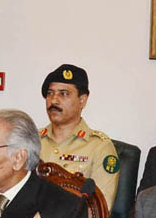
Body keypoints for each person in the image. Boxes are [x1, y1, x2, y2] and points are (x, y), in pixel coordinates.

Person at [38, 63, 119, 208]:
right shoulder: (32, 140)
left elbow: (100, 209)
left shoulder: (99, 147)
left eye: (64, 94)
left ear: (82, 100)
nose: (54, 100)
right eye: (50, 93)